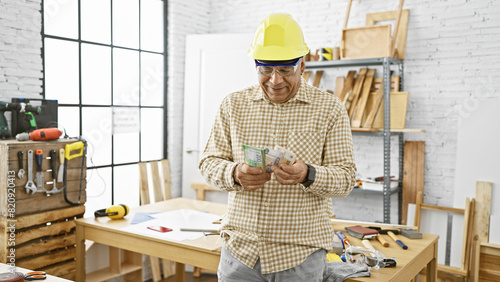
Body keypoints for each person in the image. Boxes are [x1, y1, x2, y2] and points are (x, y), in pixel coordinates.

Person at [199, 13, 356, 282]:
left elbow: (346, 178)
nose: (275, 80)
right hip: (240, 253)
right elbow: (208, 162)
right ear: (255, 65)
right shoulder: (232, 105)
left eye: (285, 70)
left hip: (299, 257)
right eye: (265, 69)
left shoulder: (330, 109)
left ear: (302, 66)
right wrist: (235, 172)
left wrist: (308, 173)